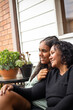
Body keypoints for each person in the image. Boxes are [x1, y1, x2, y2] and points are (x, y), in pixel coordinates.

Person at [0, 36, 59, 110]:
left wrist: (14, 87)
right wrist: (36, 78)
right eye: (39, 50)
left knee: (5, 96)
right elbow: (27, 87)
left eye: (44, 51)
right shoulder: (39, 68)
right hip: (29, 102)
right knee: (4, 94)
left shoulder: (57, 72)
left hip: (40, 107)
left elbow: (32, 93)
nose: (40, 54)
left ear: (53, 52)